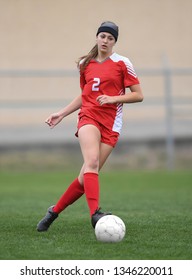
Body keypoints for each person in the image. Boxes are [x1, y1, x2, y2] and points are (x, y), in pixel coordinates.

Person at [37, 21, 143, 232]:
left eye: (110, 38)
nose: (105, 40)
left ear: (114, 42)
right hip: (89, 117)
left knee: (85, 177)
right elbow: (85, 96)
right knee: (92, 162)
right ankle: (95, 214)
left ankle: (53, 212)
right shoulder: (85, 63)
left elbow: (138, 95)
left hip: (111, 124)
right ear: (97, 37)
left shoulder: (123, 63)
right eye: (103, 36)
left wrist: (113, 99)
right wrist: (62, 113)